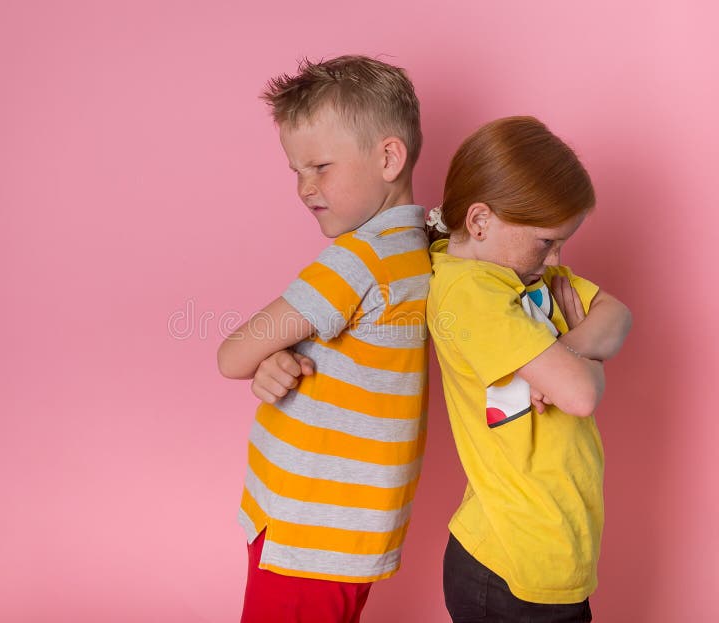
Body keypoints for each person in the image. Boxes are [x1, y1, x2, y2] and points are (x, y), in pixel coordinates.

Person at [217, 55, 430, 623]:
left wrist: (264, 352)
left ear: (389, 158)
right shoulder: (425, 247)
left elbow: (232, 354)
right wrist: (282, 356)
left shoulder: (357, 259)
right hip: (351, 525)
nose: (304, 187)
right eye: (295, 170)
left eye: (320, 166)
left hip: (306, 526)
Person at [426, 116, 632, 622]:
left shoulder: (525, 274)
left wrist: (568, 349)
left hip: (549, 552)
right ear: (479, 222)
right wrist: (581, 367)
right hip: (510, 565)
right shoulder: (470, 293)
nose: (557, 258)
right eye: (546, 241)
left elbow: (619, 314)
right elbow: (582, 396)